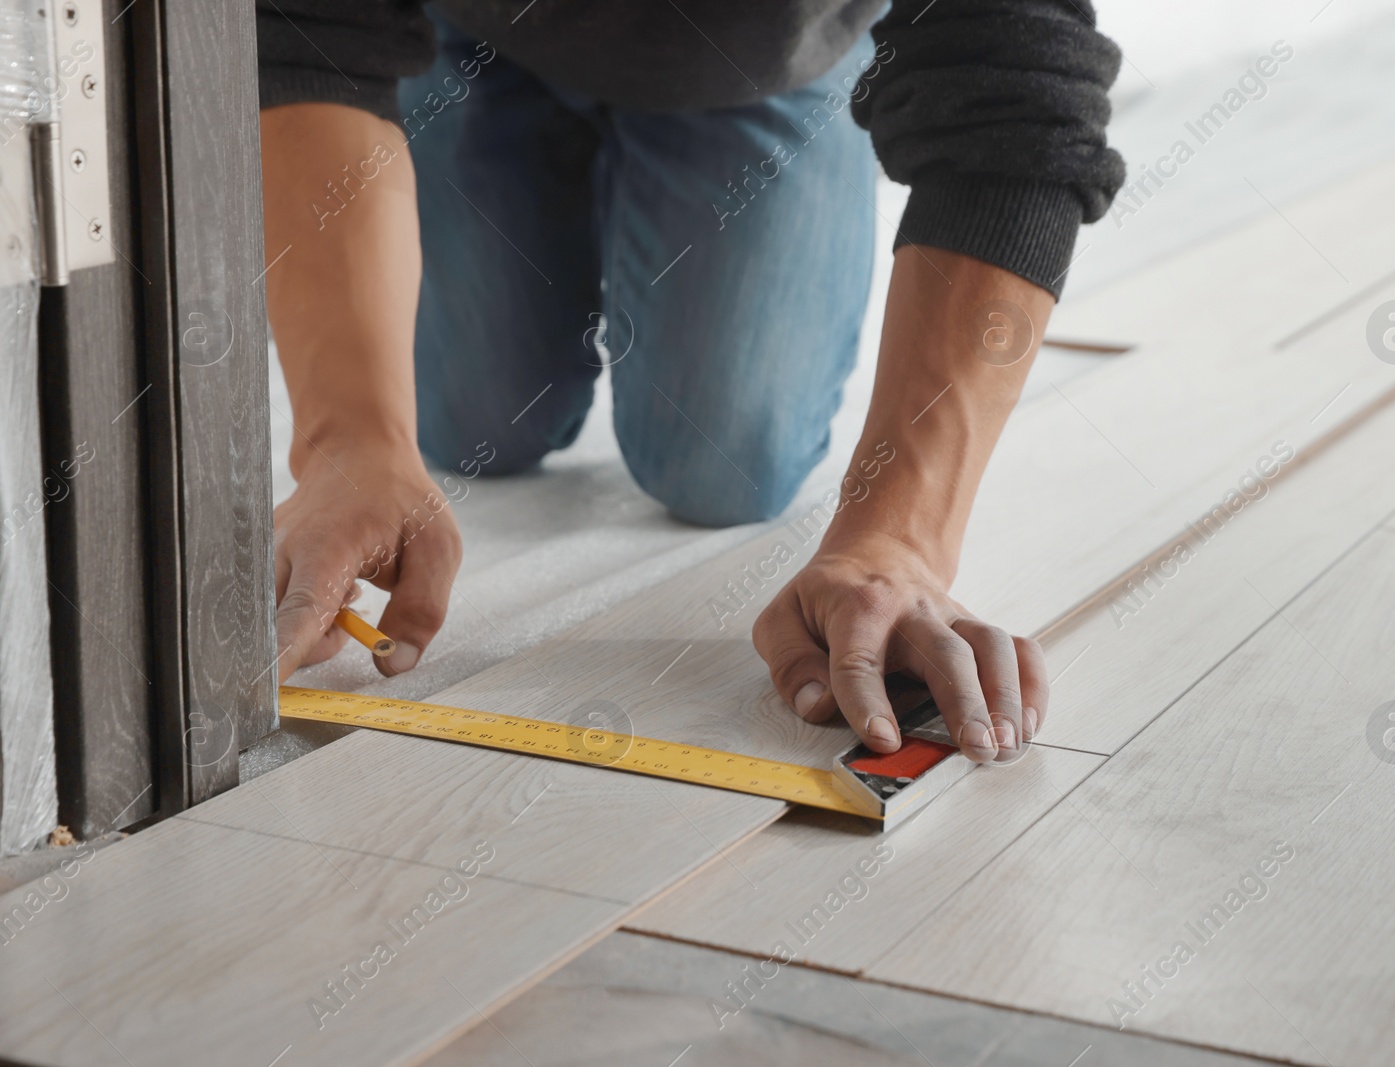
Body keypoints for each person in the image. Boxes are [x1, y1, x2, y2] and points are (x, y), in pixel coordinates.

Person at [258, 0, 1124, 764]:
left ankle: (822, 67)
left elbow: (1012, 80)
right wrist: (351, 443)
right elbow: (309, 30)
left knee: (724, 465)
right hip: (481, 35)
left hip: (752, 49)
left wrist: (900, 540)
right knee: (477, 421)